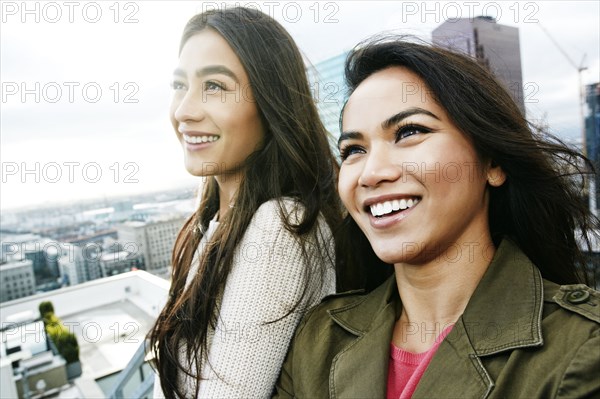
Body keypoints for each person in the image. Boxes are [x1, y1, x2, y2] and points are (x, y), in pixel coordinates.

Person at [275, 36, 600, 398]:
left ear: (491, 162)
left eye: (409, 132)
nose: (370, 173)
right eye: (354, 150)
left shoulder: (583, 347)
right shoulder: (319, 340)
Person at [148, 7, 342, 398]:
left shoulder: (281, 227)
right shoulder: (218, 221)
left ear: (271, 102)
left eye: (215, 86)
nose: (184, 110)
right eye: (179, 85)